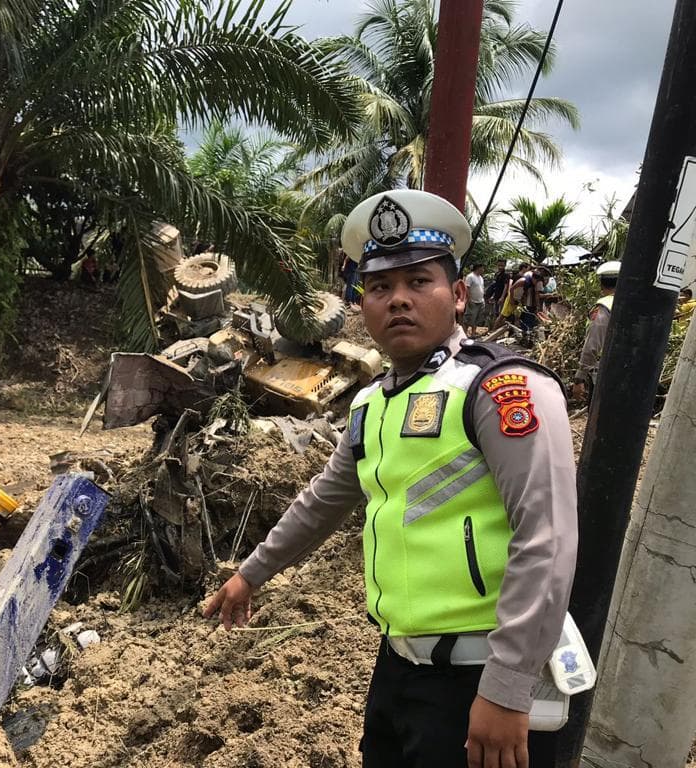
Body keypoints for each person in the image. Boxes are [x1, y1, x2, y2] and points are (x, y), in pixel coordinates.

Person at [204, 189, 578, 768]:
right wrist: (250, 574)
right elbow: (322, 503)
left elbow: (547, 538)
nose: (398, 299)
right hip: (398, 668)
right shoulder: (372, 404)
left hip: (482, 675)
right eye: (379, 287)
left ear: (458, 295)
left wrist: (508, 688)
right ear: (363, 304)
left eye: (419, 281)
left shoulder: (500, 389)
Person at [572, 260, 619, 402]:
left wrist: (579, 377)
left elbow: (593, 344)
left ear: (601, 284)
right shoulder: (631, 303)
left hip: (606, 372)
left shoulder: (603, 307)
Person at [484, 259, 509, 328]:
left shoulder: (506, 274)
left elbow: (506, 286)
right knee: (496, 312)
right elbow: (495, 286)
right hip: (496, 296)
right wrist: (493, 295)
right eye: (499, 265)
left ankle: (500, 328)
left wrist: (502, 297)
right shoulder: (497, 274)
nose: (500, 267)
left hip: (502, 297)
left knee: (501, 313)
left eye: (502, 265)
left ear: (505, 265)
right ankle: (494, 328)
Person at [463, 262, 486, 336]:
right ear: (478, 268)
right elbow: (467, 288)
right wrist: (469, 299)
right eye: (482, 268)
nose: (483, 269)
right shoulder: (470, 276)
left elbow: (482, 288)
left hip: (480, 301)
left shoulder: (480, 278)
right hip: (473, 301)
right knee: (468, 319)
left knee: (476, 319)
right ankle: (464, 334)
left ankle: (473, 334)